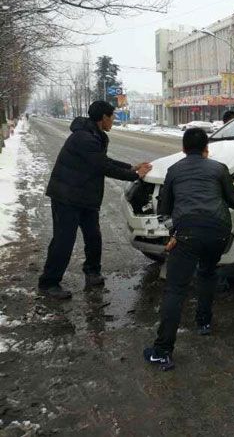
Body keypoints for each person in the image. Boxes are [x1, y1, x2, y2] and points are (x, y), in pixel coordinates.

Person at [144, 128, 234, 370]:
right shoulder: (219, 168)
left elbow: (164, 210)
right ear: (206, 149)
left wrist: (173, 234)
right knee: (207, 273)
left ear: (183, 149)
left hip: (188, 233)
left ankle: (162, 351)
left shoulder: (174, 170)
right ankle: (204, 323)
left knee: (176, 289)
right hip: (218, 233)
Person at [38, 101, 152, 300]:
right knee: (64, 240)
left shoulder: (94, 135)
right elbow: (102, 166)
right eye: (112, 116)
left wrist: (131, 167)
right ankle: (49, 283)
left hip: (84, 196)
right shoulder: (84, 138)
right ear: (104, 117)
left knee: (93, 236)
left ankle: (92, 271)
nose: (114, 120)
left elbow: (103, 160)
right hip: (66, 197)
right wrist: (134, 175)